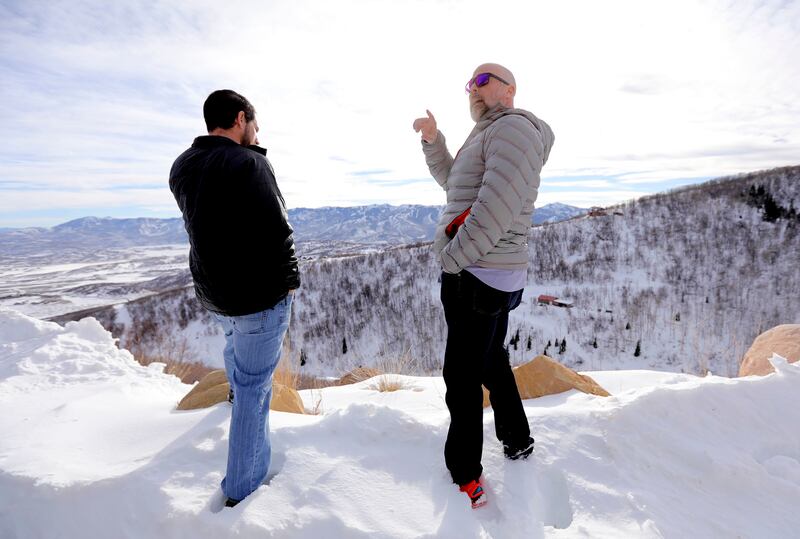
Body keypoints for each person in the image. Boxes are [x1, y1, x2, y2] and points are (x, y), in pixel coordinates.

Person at [413, 64, 554, 509]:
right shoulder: (489, 132)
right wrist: (434, 141)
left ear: (510, 89)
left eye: (482, 80)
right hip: (490, 272)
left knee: (461, 376)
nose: (472, 89)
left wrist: (452, 259)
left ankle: (465, 475)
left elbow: (495, 207)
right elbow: (457, 184)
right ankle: (517, 439)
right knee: (491, 359)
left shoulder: (513, 128)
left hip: (477, 273)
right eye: (468, 84)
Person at [169, 89, 300, 507]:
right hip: (258, 297)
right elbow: (277, 229)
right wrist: (290, 281)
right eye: (255, 126)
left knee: (234, 349)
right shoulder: (249, 163)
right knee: (254, 392)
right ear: (240, 118)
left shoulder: (182, 166)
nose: (257, 134)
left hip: (215, 294)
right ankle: (241, 491)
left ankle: (233, 396)